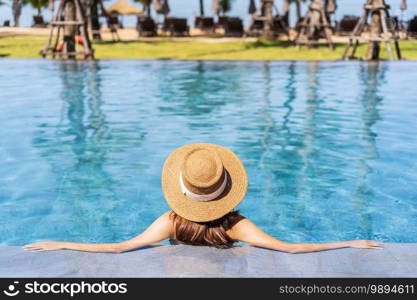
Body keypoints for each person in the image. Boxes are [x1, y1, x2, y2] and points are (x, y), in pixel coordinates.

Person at [24, 143, 383, 253]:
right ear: (225, 188)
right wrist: (351, 242)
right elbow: (289, 248)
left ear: (182, 189)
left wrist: (62, 243)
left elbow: (120, 247)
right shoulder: (235, 226)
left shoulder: (171, 221)